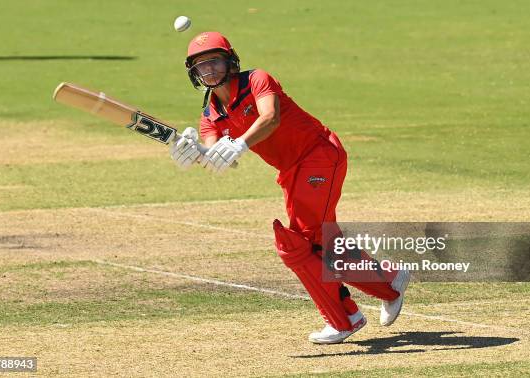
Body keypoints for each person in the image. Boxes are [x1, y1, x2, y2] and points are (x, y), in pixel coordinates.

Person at [170, 31, 410, 344]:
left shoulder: (257, 79)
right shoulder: (210, 116)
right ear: (195, 73)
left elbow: (271, 117)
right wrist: (193, 154)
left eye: (215, 61)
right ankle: (388, 283)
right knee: (319, 241)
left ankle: (347, 316)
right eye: (202, 66)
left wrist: (240, 144)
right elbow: (217, 156)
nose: (210, 70)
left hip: (319, 154)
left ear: (230, 62)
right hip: (292, 171)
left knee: (300, 243)